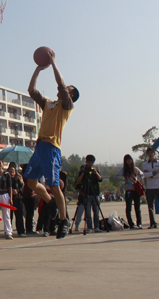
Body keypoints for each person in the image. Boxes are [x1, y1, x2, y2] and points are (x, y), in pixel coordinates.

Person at [23, 53, 79, 239]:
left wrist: (53, 63)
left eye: (67, 89)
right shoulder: (48, 103)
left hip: (52, 149)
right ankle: (51, 203)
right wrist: (38, 69)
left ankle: (64, 220)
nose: (63, 88)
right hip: (40, 147)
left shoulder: (67, 106)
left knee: (54, 186)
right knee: (30, 182)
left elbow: (61, 84)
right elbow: (31, 90)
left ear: (71, 95)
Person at [142, 148, 159, 229]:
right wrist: (154, 173)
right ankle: (153, 223)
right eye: (149, 153)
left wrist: (150, 174)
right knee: (150, 206)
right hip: (149, 187)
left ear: (154, 154)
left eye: (151, 153)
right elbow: (144, 175)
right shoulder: (145, 164)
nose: (150, 154)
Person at [113, 155, 143, 229]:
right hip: (129, 190)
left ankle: (139, 223)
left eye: (130, 159)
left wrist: (139, 179)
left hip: (136, 190)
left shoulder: (135, 169)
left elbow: (142, 174)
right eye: (127, 160)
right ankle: (131, 224)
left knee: (137, 207)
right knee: (129, 208)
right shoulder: (124, 169)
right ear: (125, 161)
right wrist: (124, 180)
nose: (129, 161)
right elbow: (116, 176)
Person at [76, 155, 102, 233]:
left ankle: (96, 226)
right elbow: (78, 181)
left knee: (96, 211)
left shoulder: (95, 170)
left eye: (92, 162)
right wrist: (83, 174)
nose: (90, 164)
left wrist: (96, 173)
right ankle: (89, 227)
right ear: (86, 162)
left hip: (95, 193)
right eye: (89, 162)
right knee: (88, 212)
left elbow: (100, 179)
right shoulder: (83, 171)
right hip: (87, 193)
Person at [8, 163, 26, 237]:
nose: (11, 171)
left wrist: (17, 191)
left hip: (17, 199)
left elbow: (22, 189)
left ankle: (21, 231)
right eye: (10, 169)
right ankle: (9, 231)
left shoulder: (18, 179)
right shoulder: (6, 179)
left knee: (19, 216)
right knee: (9, 217)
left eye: (13, 170)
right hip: (9, 200)